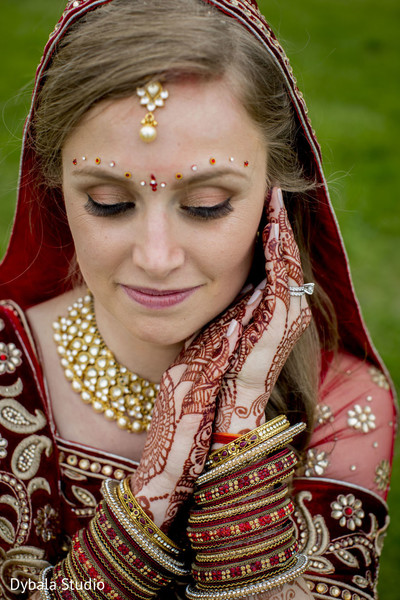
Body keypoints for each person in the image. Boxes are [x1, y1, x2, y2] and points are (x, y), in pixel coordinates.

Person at [0, 0, 396, 599]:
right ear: (55, 191)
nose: (156, 257)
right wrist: (150, 499)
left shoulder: (343, 402)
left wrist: (239, 438)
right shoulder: (7, 368)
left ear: (276, 200)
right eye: (108, 201)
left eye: (207, 204)